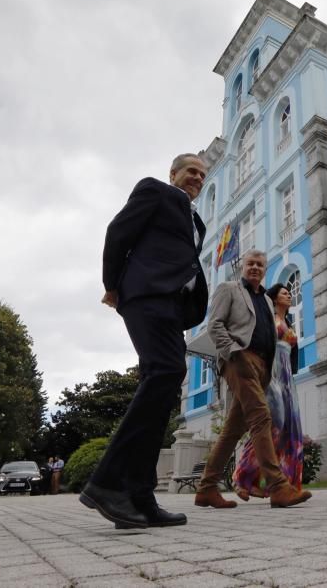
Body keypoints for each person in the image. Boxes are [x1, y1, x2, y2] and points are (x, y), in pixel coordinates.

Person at [80, 153, 209, 529]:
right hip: (146, 295)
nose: (197, 179)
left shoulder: (195, 219)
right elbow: (118, 232)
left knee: (165, 386)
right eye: (191, 172)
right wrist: (112, 285)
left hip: (173, 305)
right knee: (166, 371)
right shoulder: (155, 190)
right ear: (173, 174)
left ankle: (139, 496)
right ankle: (107, 483)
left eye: (202, 175)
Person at [194, 251, 311, 509]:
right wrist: (234, 353)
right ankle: (279, 487)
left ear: (265, 269)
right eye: (251, 264)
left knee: (233, 429)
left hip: (262, 367)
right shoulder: (229, 289)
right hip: (239, 360)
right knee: (261, 417)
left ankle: (206, 489)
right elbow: (215, 325)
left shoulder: (266, 301)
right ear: (243, 267)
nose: (255, 268)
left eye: (260, 265)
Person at [232, 281, 304, 499]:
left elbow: (291, 353)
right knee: (274, 423)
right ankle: (241, 475)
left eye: (289, 293)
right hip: (269, 374)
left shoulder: (288, 322)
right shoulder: (267, 319)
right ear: (274, 298)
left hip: (286, 379)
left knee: (289, 432)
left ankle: (282, 486)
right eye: (284, 293)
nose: (289, 295)